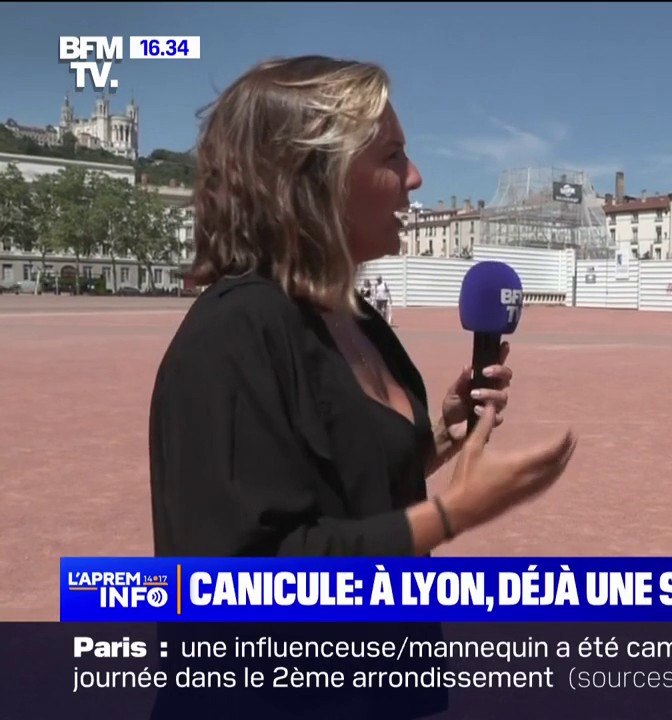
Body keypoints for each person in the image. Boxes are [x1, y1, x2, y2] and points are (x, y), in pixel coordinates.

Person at [147, 55, 577, 718]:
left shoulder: (356, 316)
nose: (415, 177)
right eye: (391, 157)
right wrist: (450, 514)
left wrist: (441, 436)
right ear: (310, 179)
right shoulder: (234, 334)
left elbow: (342, 482)